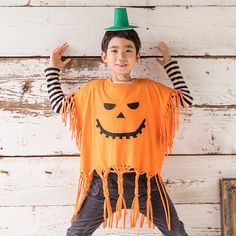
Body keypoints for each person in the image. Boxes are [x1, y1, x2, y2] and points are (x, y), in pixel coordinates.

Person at [45, 7, 193, 236]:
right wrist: (52, 69)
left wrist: (169, 65)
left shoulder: (149, 89)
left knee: (177, 232)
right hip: (103, 184)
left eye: (128, 50)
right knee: (76, 233)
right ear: (104, 56)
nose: (121, 57)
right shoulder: (93, 91)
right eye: (114, 50)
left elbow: (186, 99)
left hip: (147, 183)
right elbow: (60, 106)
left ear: (138, 56)